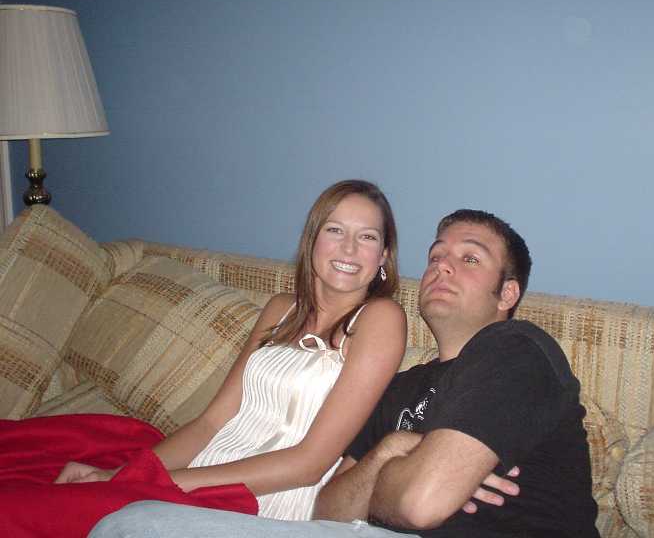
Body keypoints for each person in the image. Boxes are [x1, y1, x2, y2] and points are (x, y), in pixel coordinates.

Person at [89, 209, 599, 538]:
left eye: (469, 258)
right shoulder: (404, 387)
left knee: (138, 526)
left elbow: (422, 503)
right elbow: (328, 507)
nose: (442, 266)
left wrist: (398, 473)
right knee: (134, 524)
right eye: (436, 255)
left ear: (507, 293)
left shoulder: (517, 349)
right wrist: (393, 450)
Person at [0, 179, 407, 538]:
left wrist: (161, 484)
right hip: (201, 472)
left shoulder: (381, 319)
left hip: (262, 500)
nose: (349, 248)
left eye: (367, 236)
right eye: (335, 230)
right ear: (312, 240)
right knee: (31, 483)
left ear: (383, 256)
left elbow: (309, 464)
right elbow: (213, 421)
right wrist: (121, 475)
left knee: (26, 515)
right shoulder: (280, 309)